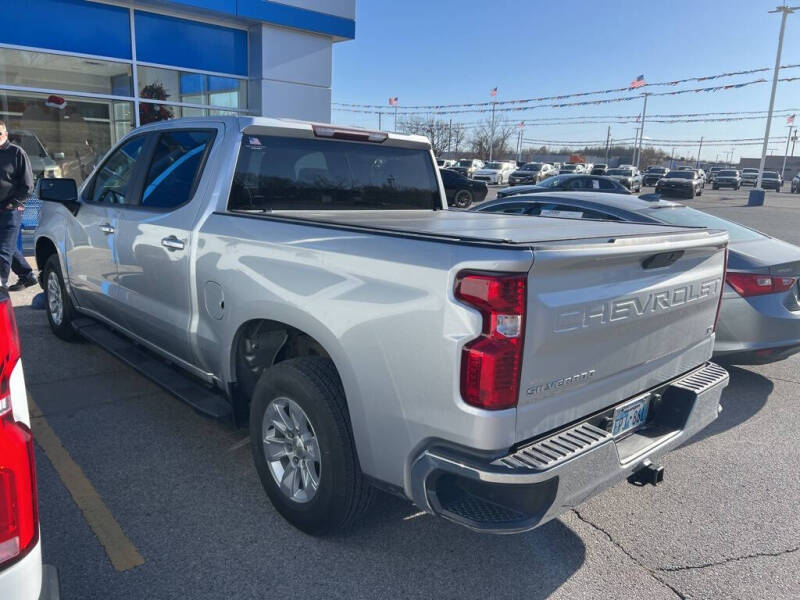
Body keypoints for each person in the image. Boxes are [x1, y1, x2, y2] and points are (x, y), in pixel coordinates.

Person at [0, 120, 36, 292]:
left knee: (3, 249)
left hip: (11, 209)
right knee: (8, 246)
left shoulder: (16, 153)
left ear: (5, 134)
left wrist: (14, 204)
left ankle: (0, 284)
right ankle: (27, 276)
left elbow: (28, 186)